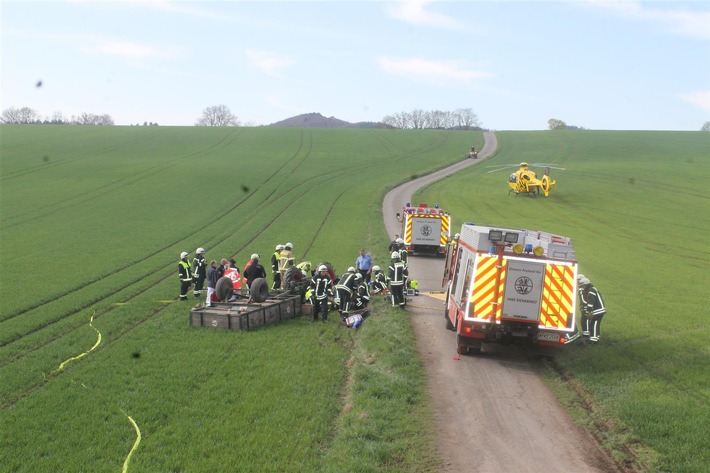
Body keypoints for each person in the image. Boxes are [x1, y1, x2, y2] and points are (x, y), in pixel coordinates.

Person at [578, 275, 607, 342]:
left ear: (585, 285)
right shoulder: (592, 289)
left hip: (598, 311)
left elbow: (591, 301)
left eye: (582, 286)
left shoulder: (591, 290)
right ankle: (596, 337)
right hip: (599, 310)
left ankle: (593, 340)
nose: (582, 287)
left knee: (594, 324)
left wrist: (589, 311)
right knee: (595, 324)